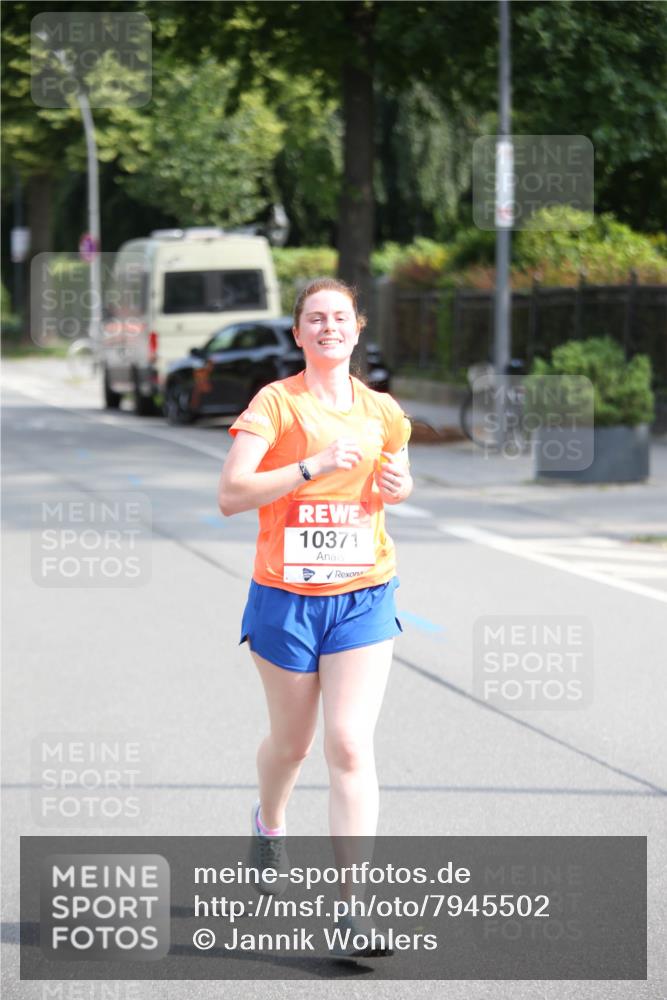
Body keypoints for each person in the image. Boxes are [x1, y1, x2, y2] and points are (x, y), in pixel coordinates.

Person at [218, 277, 413, 957]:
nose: (328, 327)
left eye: (339, 317)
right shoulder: (276, 403)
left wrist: (399, 485)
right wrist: (313, 465)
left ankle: (351, 911)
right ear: (298, 334)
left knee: (350, 745)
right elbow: (231, 494)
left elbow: (400, 475)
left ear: (357, 329)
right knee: (292, 746)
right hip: (285, 599)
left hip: (363, 594)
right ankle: (268, 824)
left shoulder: (383, 411)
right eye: (314, 319)